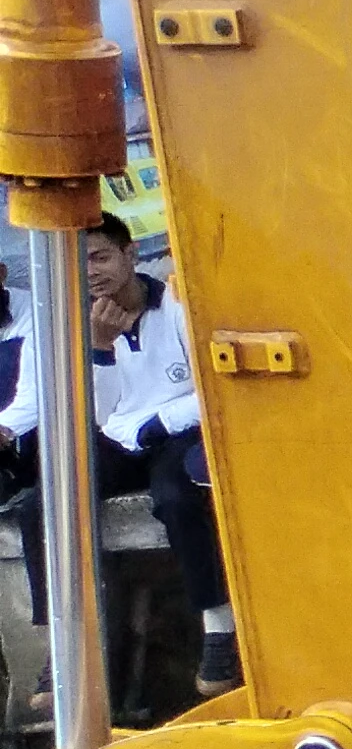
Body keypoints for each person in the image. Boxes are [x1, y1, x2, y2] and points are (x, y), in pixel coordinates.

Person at [7, 213, 226, 680]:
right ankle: (63, 645)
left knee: (176, 496)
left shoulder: (178, 308)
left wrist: (160, 420)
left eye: (101, 257)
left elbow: (213, 388)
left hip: (178, 433)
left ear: (130, 254)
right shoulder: (72, 320)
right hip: (121, 434)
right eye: (79, 262)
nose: (90, 272)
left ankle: (218, 625)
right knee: (41, 506)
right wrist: (101, 349)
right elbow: (101, 415)